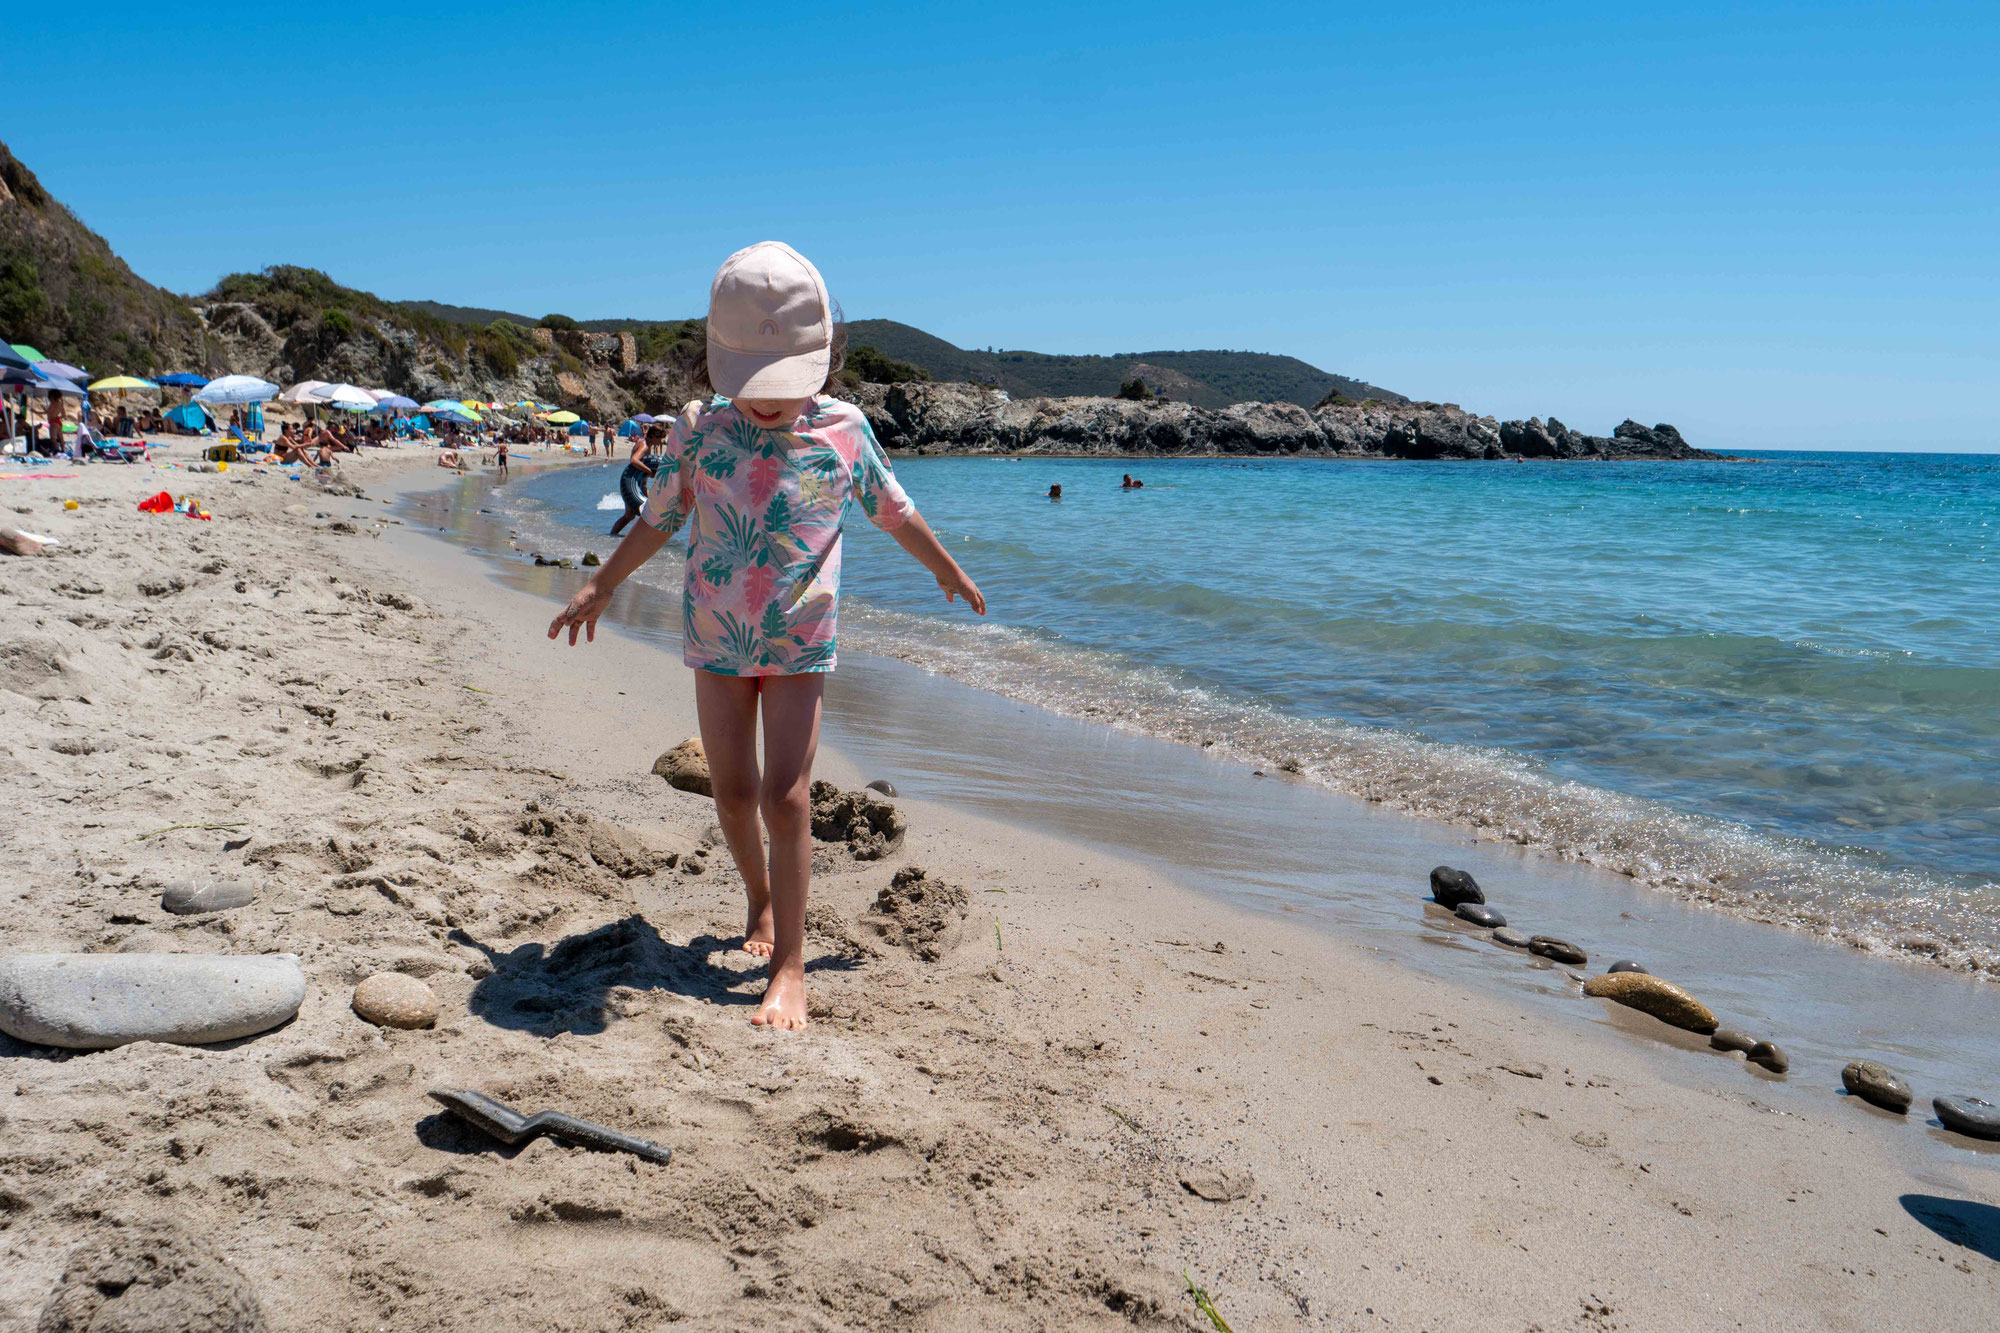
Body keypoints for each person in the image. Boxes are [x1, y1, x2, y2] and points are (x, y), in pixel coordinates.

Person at [548, 242, 984, 1031]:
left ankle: (789, 963)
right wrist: (601, 583)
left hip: (798, 641)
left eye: (781, 386)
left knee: (786, 798)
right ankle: (758, 897)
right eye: (752, 386)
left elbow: (894, 510)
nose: (766, 402)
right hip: (714, 634)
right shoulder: (698, 429)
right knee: (733, 791)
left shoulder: (844, 429)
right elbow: (659, 519)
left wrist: (943, 569)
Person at [609, 422, 669, 537]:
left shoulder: (644, 443)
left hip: (637, 483)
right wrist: (649, 471)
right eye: (660, 439)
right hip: (632, 484)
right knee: (646, 514)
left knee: (629, 516)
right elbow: (634, 460)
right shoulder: (645, 446)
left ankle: (612, 536)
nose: (661, 442)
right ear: (654, 437)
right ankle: (642, 539)